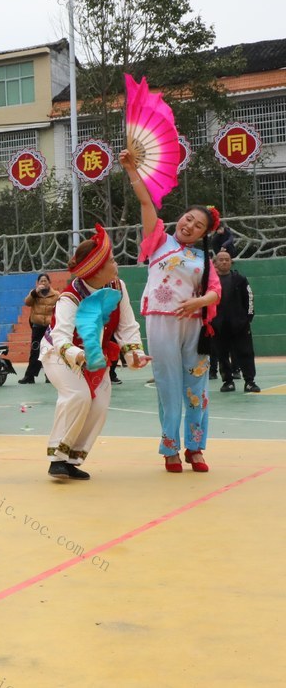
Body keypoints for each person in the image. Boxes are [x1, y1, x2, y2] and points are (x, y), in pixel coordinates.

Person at [120, 149, 221, 473]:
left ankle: (195, 448)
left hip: (194, 326)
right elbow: (147, 203)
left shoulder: (205, 260)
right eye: (189, 218)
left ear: (204, 234)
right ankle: (170, 449)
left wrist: (198, 302)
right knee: (168, 386)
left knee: (197, 389)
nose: (190, 225)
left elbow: (215, 292)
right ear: (181, 219)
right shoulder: (158, 239)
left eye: (198, 225)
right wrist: (132, 169)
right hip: (161, 321)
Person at [41, 226, 150, 480]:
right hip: (59, 354)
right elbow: (60, 338)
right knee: (78, 395)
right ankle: (57, 457)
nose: (116, 263)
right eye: (111, 260)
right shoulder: (70, 298)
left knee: (99, 403)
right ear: (96, 270)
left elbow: (127, 325)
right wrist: (79, 357)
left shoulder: (118, 287)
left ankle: (72, 458)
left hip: (95, 354)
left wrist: (135, 353)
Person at [212, 249, 260, 393]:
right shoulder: (210, 282)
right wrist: (210, 321)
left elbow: (249, 298)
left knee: (246, 352)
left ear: (231, 262)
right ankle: (227, 382)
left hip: (240, 325)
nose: (224, 261)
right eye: (221, 259)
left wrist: (247, 319)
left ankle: (250, 382)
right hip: (219, 326)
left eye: (227, 259)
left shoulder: (240, 279)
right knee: (222, 354)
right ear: (215, 263)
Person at [19, 273, 60, 384]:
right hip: (37, 326)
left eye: (45, 281)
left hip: (49, 328)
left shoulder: (56, 295)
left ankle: (50, 376)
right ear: (37, 283)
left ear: (49, 283)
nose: (43, 283)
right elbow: (27, 302)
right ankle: (30, 376)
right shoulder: (34, 294)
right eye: (41, 281)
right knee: (35, 351)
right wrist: (34, 293)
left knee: (49, 352)